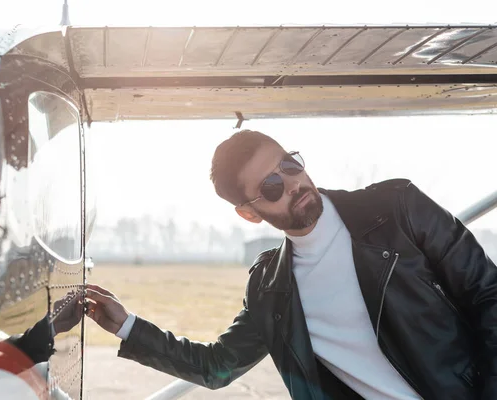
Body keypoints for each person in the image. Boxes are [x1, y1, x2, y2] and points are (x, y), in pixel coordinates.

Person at [85, 130, 497, 400]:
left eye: (290, 164)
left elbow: (488, 294)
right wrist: (126, 325)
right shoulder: (269, 288)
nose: (293, 184)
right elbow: (218, 367)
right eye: (271, 187)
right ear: (249, 214)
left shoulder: (397, 208)